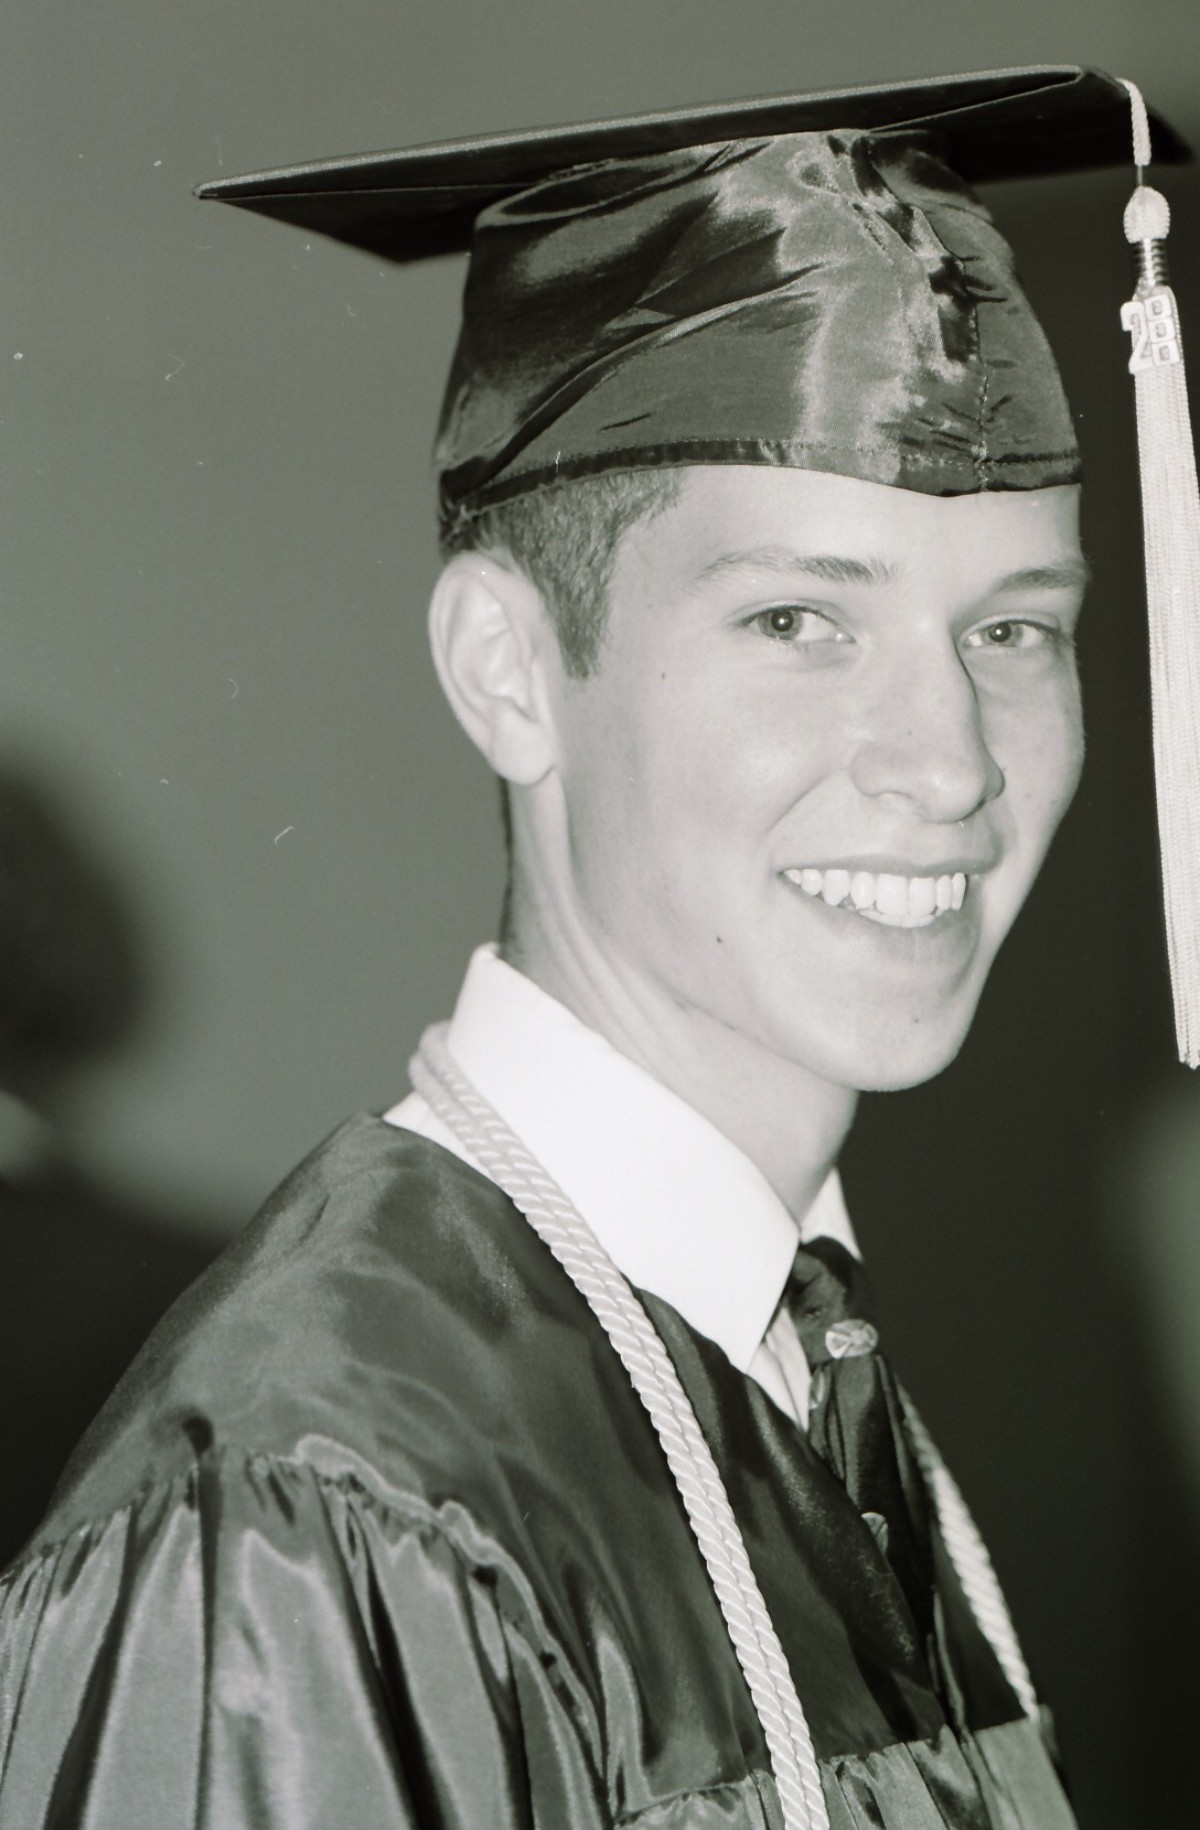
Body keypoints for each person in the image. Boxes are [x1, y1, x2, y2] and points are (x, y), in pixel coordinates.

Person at [0, 65, 1193, 1830]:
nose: (950, 762)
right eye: (798, 618)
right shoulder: (305, 1520)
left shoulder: (799, 1372)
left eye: (1014, 629)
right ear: (505, 670)